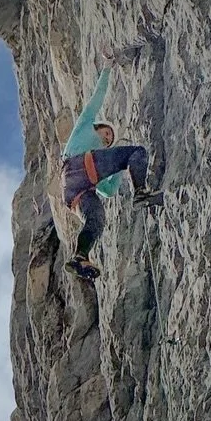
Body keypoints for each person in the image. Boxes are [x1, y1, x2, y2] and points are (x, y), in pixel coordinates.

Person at [60, 68, 160, 281]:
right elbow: (96, 100)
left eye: (109, 141)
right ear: (98, 127)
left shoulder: (102, 158)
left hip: (74, 192)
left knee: (97, 220)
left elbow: (108, 191)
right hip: (82, 165)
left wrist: (122, 170)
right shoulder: (85, 126)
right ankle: (141, 192)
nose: (106, 140)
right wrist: (106, 69)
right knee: (137, 152)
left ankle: (80, 256)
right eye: (106, 134)